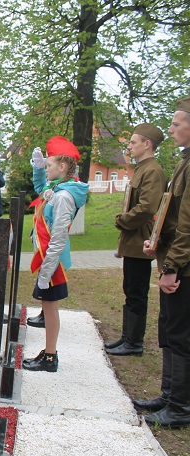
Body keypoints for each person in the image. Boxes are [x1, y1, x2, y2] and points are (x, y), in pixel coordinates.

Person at [138, 98, 190, 429]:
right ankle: (169, 395)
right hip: (173, 257)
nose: (169, 129)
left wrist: (173, 267)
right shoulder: (184, 162)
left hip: (183, 266)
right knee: (169, 330)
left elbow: (187, 223)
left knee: (180, 334)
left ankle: (181, 406)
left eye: (176, 124)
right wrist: (156, 242)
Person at [21, 137, 88, 372]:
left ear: (62, 167)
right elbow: (41, 191)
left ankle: (50, 357)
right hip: (49, 258)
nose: (46, 167)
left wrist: (47, 271)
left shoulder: (63, 196)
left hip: (53, 261)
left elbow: (58, 236)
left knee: (50, 307)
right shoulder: (57, 189)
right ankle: (49, 353)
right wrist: (38, 170)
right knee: (48, 306)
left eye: (49, 165)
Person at [105, 124, 167, 356]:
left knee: (137, 291)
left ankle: (134, 342)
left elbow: (147, 207)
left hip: (141, 239)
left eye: (133, 142)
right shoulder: (142, 168)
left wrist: (122, 220)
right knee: (130, 289)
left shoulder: (153, 171)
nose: (129, 146)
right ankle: (127, 337)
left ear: (147, 144)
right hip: (133, 239)